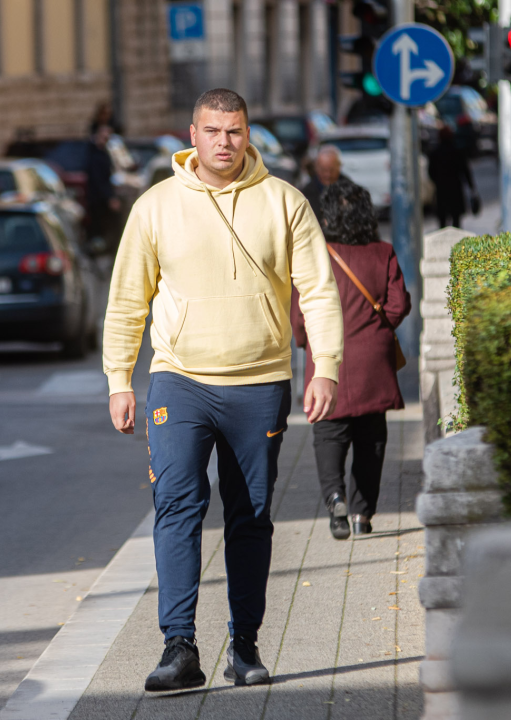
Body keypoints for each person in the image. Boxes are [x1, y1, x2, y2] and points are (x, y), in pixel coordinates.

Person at [104, 89, 344, 692]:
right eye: (212, 131)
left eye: (234, 131)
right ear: (193, 135)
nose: (223, 142)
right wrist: (118, 380)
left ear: (246, 134)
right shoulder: (155, 206)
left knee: (251, 517)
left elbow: (318, 291)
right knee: (178, 508)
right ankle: (178, 647)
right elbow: (128, 300)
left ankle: (245, 645)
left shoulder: (285, 202)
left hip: (260, 383)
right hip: (178, 380)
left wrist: (328, 367)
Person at [291, 177, 411, 539]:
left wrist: (305, 341)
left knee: (328, 432)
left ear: (325, 219)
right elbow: (399, 304)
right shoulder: (383, 252)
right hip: (374, 361)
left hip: (329, 361)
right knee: (371, 438)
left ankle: (334, 497)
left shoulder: (318, 255)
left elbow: (300, 314)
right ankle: (362, 514)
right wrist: (376, 329)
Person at [428, 125, 477, 229]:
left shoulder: (435, 153)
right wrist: (471, 187)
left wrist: (438, 181)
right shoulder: (457, 151)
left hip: (441, 191)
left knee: (442, 224)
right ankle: (456, 244)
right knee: (456, 222)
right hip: (455, 191)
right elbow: (465, 171)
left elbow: (431, 173)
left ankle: (443, 243)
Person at [85, 123, 121, 253]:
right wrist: (110, 197)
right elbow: (99, 179)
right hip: (98, 198)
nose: (106, 137)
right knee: (101, 226)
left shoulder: (103, 152)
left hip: (100, 196)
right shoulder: (94, 154)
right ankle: (101, 249)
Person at [299, 145, 348, 223]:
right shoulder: (305, 194)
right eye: (323, 170)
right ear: (316, 168)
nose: (327, 175)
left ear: (339, 167)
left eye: (331, 170)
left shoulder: (350, 190)